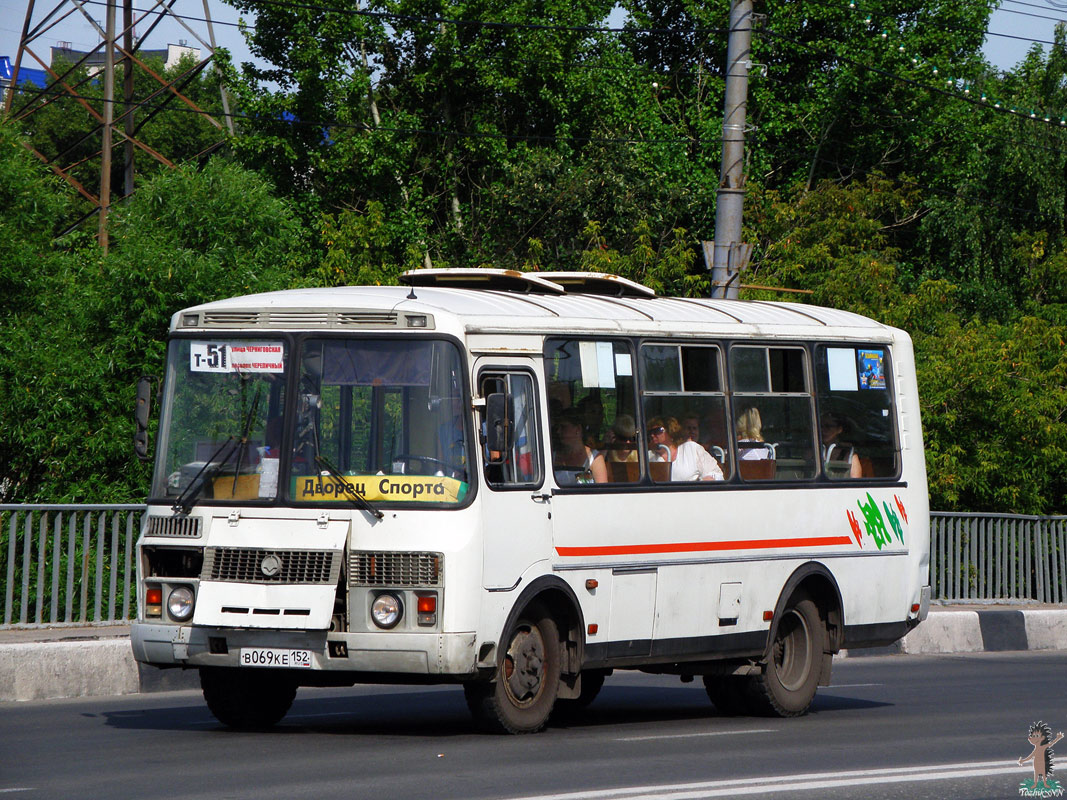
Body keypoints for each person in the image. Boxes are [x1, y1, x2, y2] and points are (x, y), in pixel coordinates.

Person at [647, 416, 723, 482]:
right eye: (650, 433)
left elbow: (717, 475)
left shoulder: (691, 449)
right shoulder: (648, 457)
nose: (652, 435)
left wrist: (704, 482)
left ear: (670, 431)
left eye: (657, 431)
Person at [552, 408, 607, 484]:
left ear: (578, 429)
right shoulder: (552, 457)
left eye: (563, 427)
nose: (558, 431)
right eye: (557, 427)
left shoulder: (594, 459)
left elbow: (602, 492)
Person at [820, 413, 862, 478]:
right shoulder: (813, 451)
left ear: (839, 429)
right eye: (821, 426)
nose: (823, 430)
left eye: (828, 426)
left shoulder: (849, 453)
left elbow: (856, 481)